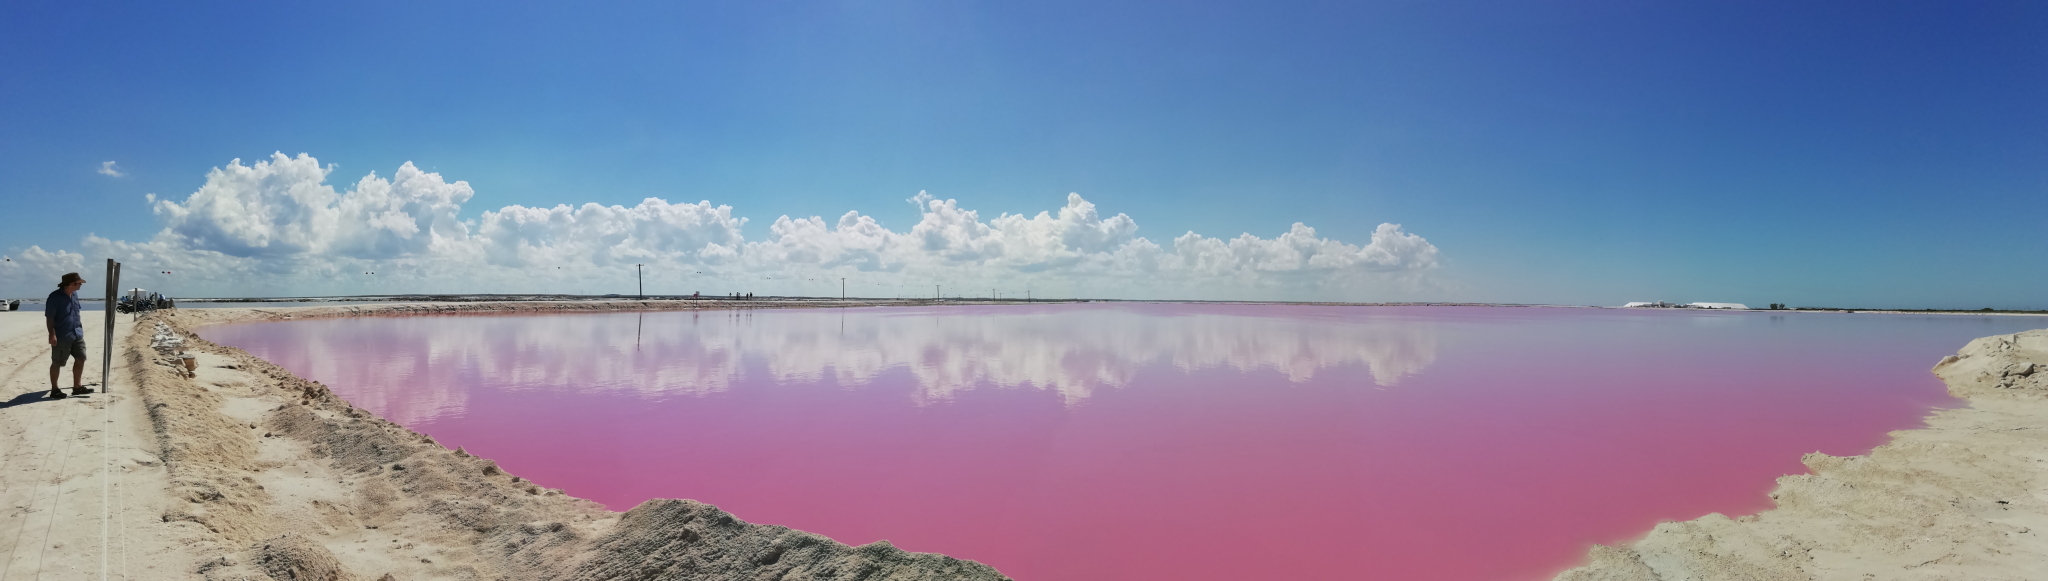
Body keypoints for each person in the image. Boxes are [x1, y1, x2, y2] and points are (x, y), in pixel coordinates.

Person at [45, 272, 91, 399]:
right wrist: (51, 334)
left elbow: (76, 313)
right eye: (79, 283)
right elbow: (50, 317)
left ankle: (77, 387)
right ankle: (55, 389)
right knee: (57, 362)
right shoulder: (54, 297)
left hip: (77, 333)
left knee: (81, 357)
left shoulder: (75, 295)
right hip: (62, 335)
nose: (81, 285)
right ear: (71, 284)